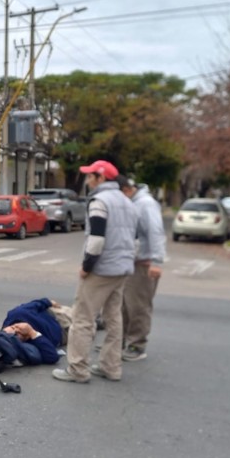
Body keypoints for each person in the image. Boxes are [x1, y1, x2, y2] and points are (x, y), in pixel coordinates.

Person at [52, 160, 137, 384]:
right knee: (113, 318)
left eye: (91, 176)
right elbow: (133, 237)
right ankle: (111, 367)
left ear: (101, 177)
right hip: (122, 267)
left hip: (102, 268)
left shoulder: (100, 201)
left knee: (82, 318)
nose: (88, 180)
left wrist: (87, 266)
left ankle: (78, 369)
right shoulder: (127, 201)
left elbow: (97, 239)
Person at [117, 175, 166, 361]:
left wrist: (157, 262)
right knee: (124, 305)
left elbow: (156, 232)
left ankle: (137, 346)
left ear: (126, 190)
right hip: (131, 262)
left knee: (138, 306)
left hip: (143, 263)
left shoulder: (146, 204)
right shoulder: (134, 202)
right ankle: (121, 341)